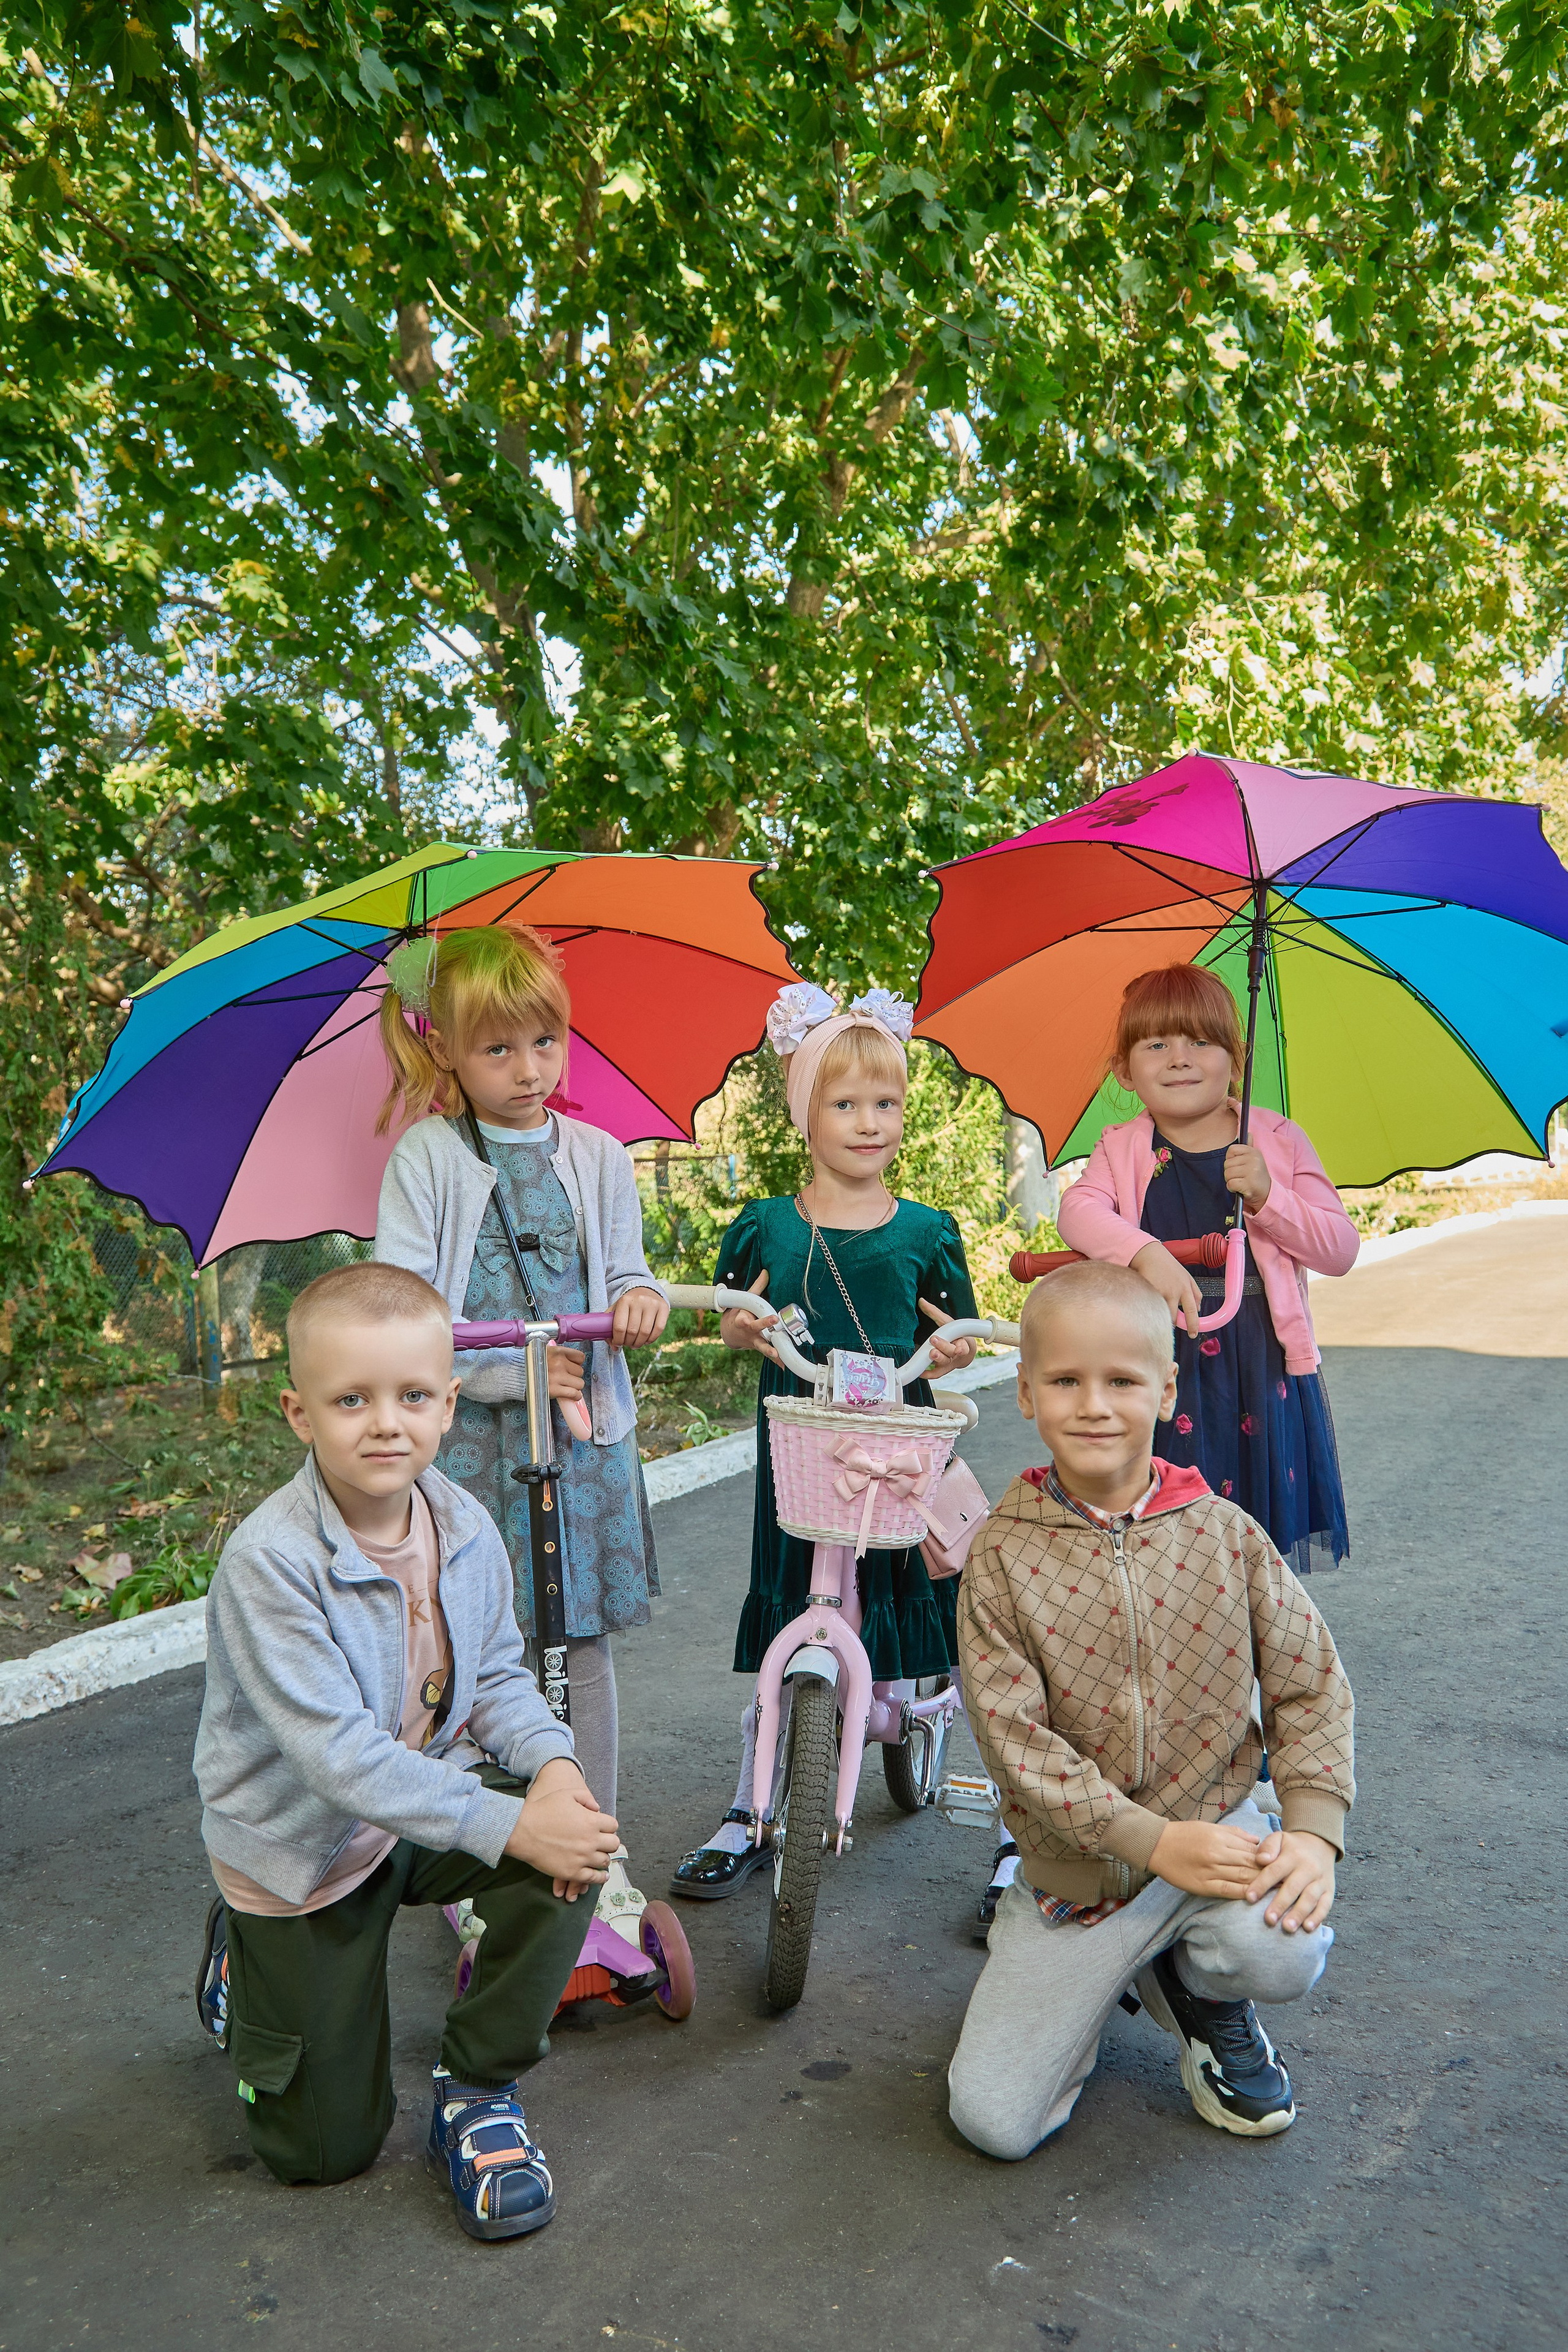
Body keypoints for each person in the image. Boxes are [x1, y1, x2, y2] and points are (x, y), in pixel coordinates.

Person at [191, 1262, 621, 2239]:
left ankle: (477, 2087)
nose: (386, 1424)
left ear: (448, 1403)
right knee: (320, 2156)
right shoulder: (271, 1561)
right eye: (353, 1400)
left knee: (576, 1841)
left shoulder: (464, 1524)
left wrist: (555, 1772)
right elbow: (338, 1760)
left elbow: (502, 1679)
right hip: (304, 1854)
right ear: (302, 1413)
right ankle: (244, 1954)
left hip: (414, 1813)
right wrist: (512, 1820)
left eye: (412, 1397)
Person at [969, 961, 1358, 1940]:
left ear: (1236, 1059)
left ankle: (1241, 1767)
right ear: (1126, 1068)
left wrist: (1267, 1196)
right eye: (1155, 1043)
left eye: (1201, 1040)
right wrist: (1141, 1252)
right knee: (1153, 1551)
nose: (1179, 1056)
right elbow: (1079, 1216)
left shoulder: (1271, 1139)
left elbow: (1336, 1246)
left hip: (1257, 1381)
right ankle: (1129, 1746)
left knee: (1236, 1565)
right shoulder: (1123, 1148)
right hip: (1160, 1382)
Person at [948, 1259, 1355, 2159]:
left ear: (1168, 1390)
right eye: (1065, 1381)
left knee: (1284, 1948)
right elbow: (1018, 1746)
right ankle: (1114, 1969)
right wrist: (1146, 1842)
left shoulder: (1224, 1534)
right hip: (1080, 1879)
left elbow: (1310, 1680)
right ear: (1025, 1392)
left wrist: (1314, 1831)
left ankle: (1202, 1985)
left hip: (1216, 1833)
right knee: (993, 2123)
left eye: (1122, 1380)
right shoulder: (1003, 1558)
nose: (1094, 1404)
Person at [374, 922, 666, 1944]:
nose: (527, 1068)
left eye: (545, 1042)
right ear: (445, 1048)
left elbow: (627, 1275)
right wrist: (509, 1370)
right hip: (471, 1454)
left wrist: (635, 1303)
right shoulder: (429, 1160)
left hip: (577, 1455)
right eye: (498, 1048)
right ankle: (482, 1857)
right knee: (470, 1655)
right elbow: (407, 1323)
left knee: (575, 1647)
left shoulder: (597, 1158)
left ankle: (595, 1848)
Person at [668, 981, 980, 1897]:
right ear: (806, 1111)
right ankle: (748, 1799)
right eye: (845, 1104)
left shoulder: (927, 1229)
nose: (868, 1122)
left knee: (895, 1573)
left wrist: (956, 1344)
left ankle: (904, 1705)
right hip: (806, 1435)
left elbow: (955, 1330)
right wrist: (741, 1325)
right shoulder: (769, 1222)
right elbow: (734, 1312)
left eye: (885, 1103)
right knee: (799, 1579)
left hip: (894, 1434)